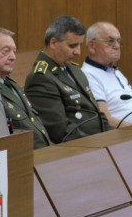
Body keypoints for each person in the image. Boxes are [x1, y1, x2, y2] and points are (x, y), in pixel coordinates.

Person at [24, 15, 111, 143]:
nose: (78, 52)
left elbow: (96, 113)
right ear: (53, 43)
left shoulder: (75, 70)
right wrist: (99, 144)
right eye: (72, 46)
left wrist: (113, 137)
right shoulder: (41, 78)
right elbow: (61, 132)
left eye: (80, 45)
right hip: (79, 148)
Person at [0, 27, 52, 149]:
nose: (13, 57)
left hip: (45, 152)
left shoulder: (10, 83)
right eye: (6, 51)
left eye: (14, 52)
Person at [81, 22, 132, 127]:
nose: (117, 46)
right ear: (92, 46)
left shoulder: (113, 70)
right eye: (110, 41)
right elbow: (105, 119)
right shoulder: (88, 75)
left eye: (119, 41)